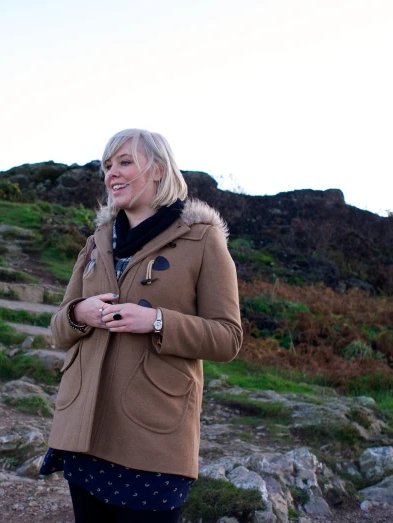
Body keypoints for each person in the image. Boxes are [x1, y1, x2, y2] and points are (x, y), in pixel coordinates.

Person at [39, 128, 242, 522]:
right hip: (85, 426)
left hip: (153, 434)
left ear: (158, 170)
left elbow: (228, 338)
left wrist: (157, 321)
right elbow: (58, 327)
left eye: (124, 162)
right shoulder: (97, 242)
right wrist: (80, 314)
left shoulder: (203, 240)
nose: (111, 174)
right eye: (107, 166)